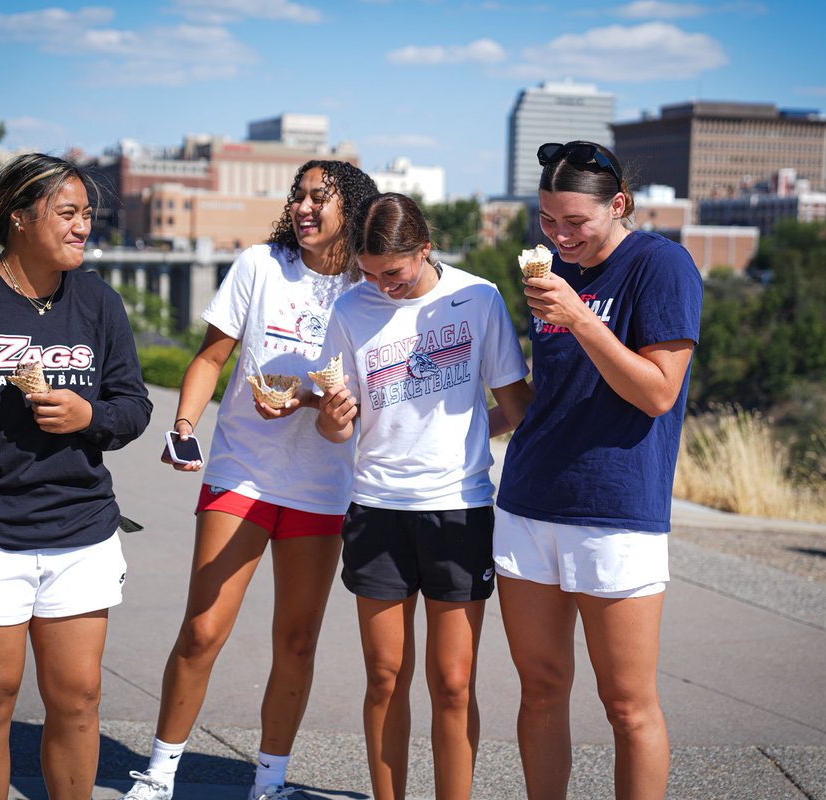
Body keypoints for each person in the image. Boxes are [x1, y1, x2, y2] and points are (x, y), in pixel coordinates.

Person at [120, 160, 379, 800]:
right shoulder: (262, 266)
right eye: (299, 196)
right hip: (242, 470)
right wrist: (183, 426)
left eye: (321, 198)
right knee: (204, 628)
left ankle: (270, 783)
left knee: (296, 642)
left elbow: (368, 396)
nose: (304, 207)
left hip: (322, 485)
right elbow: (210, 358)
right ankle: (158, 775)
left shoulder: (367, 287)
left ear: (352, 207)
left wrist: (312, 403)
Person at [0, 152, 153, 800]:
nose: (81, 228)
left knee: (79, 701)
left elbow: (133, 407)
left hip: (81, 531)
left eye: (87, 216)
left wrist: (86, 414)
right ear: (17, 217)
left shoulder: (97, 302)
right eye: (66, 213)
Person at [493, 141, 703, 800]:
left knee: (627, 705)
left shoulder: (660, 266)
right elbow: (546, 394)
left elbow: (658, 392)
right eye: (547, 220)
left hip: (616, 508)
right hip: (528, 502)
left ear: (618, 204)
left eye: (575, 222)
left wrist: (581, 318)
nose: (559, 236)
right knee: (542, 690)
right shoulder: (550, 267)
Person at [315, 192, 533, 800]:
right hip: (377, 508)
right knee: (384, 678)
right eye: (368, 271)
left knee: (454, 681)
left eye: (394, 272)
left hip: (458, 508)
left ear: (425, 249)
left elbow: (516, 408)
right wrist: (333, 416)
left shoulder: (478, 298)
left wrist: (462, 431)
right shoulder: (349, 310)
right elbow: (337, 427)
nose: (380, 285)